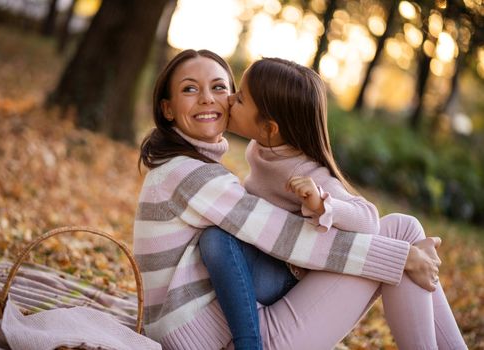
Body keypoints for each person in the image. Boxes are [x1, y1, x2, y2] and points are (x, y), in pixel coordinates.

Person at [134, 49, 466, 349]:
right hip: (219, 336)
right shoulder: (192, 175)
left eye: (221, 87)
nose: (213, 99)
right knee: (404, 233)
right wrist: (401, 257)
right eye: (190, 89)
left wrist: (327, 208)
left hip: (218, 324)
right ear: (167, 108)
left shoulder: (185, 169)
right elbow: (284, 236)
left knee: (402, 231)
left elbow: (301, 232)